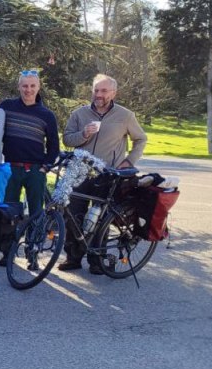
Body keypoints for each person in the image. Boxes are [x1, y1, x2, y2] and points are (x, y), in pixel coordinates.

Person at [59, 74, 148, 273]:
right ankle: (72, 257)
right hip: (80, 172)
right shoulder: (79, 114)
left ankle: (96, 260)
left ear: (114, 93)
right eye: (96, 90)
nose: (99, 95)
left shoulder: (125, 116)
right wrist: (84, 134)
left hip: (108, 175)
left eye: (104, 91)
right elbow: (67, 139)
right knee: (73, 214)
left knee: (100, 217)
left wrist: (129, 162)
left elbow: (141, 139)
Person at [0, 70, 60, 214]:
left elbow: (54, 145)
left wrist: (45, 167)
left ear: (38, 87)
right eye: (25, 86)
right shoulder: (6, 106)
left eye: (32, 86)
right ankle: (9, 237)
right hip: (10, 168)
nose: (29, 90)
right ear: (19, 87)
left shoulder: (47, 115)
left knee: (37, 211)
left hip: (35, 170)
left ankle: (36, 237)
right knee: (7, 210)